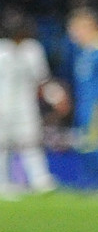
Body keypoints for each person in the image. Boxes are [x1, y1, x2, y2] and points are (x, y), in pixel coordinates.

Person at [0, 11, 56, 195]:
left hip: (26, 106)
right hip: (2, 106)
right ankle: (3, 183)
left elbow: (42, 80)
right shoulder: (2, 49)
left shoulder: (33, 50)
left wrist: (54, 97)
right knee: (2, 145)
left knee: (31, 142)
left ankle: (40, 180)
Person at [66, 7, 98, 192]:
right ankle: (88, 180)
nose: (73, 33)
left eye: (76, 28)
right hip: (83, 103)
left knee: (96, 143)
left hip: (96, 104)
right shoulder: (82, 51)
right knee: (84, 143)